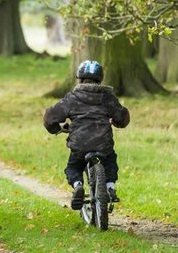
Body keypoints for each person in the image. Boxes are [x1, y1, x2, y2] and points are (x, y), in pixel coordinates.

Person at [42, 60, 130, 210]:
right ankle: (109, 187)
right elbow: (123, 117)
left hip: (79, 144)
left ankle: (78, 185)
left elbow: (50, 117)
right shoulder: (107, 98)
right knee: (110, 162)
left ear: (79, 79)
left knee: (73, 167)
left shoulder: (72, 98)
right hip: (103, 144)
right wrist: (117, 122)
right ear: (100, 79)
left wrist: (57, 128)